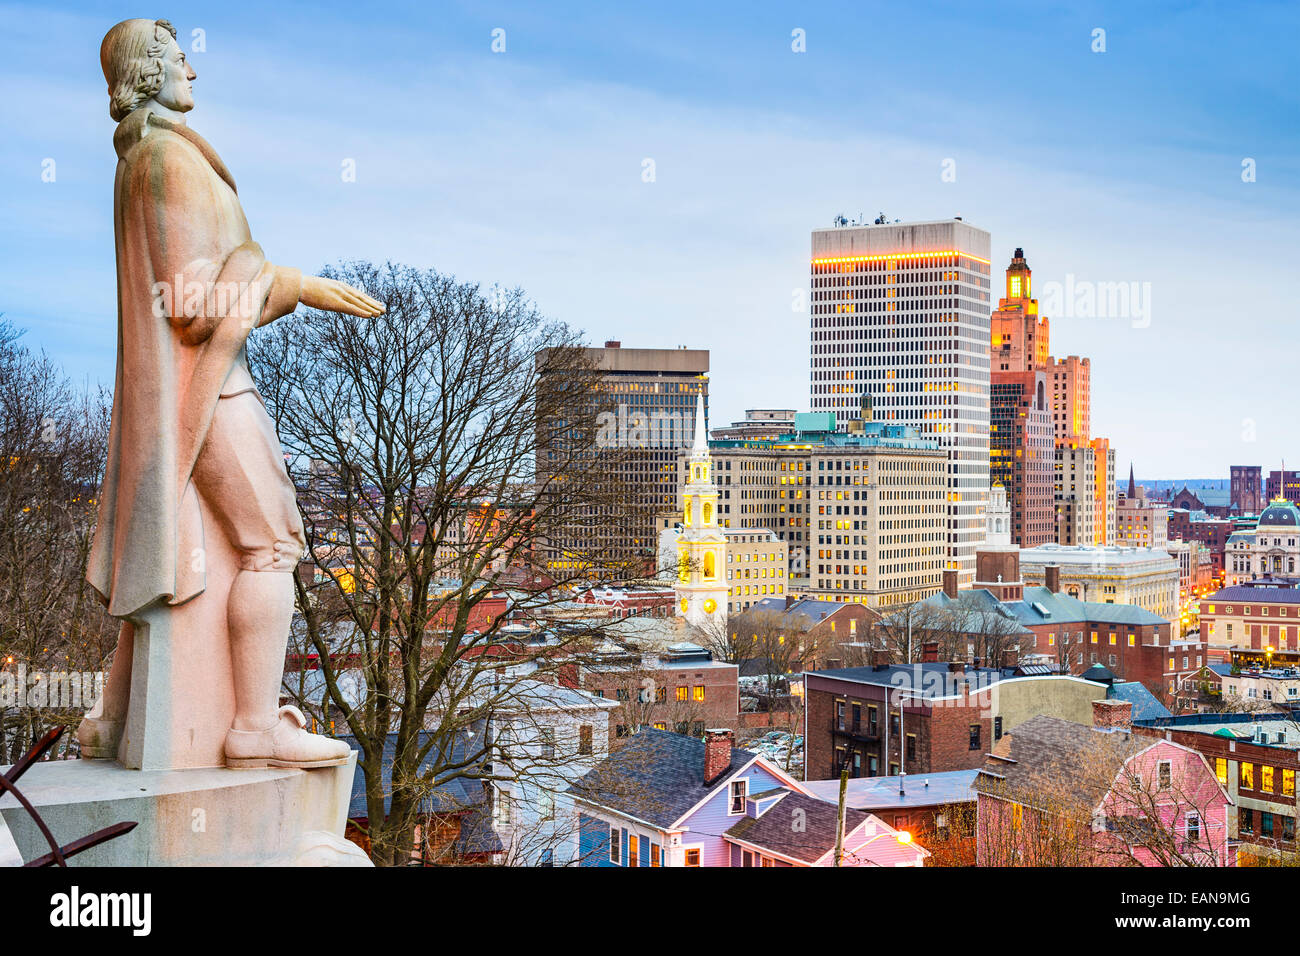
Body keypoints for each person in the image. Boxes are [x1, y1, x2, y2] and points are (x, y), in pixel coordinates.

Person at [83, 18, 385, 768]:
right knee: (272, 544)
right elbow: (189, 303)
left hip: (185, 391)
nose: (195, 72)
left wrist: (289, 282)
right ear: (149, 73)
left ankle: (112, 717)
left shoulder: (147, 159)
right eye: (182, 59)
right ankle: (253, 727)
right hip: (210, 390)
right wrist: (294, 284)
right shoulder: (166, 162)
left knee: (170, 553)